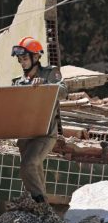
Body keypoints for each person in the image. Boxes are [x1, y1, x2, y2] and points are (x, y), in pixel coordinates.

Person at [11, 36, 67, 203]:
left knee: (28, 164)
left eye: (25, 58)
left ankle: (40, 203)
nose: (22, 63)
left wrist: (45, 84)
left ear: (36, 57)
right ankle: (39, 205)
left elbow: (64, 91)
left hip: (45, 133)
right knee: (31, 168)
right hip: (25, 135)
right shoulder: (18, 82)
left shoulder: (50, 73)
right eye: (20, 60)